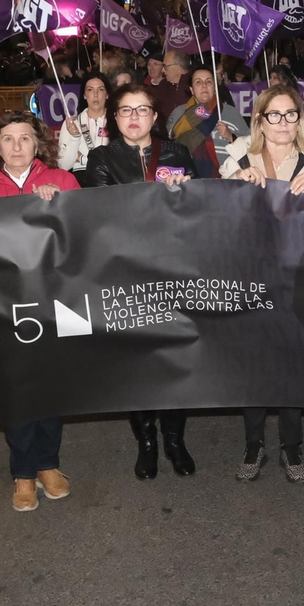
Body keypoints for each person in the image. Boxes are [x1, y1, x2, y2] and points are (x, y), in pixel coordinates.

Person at [0, 112, 77, 511]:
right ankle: (22, 472)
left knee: (51, 387)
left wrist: (61, 209)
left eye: (25, 137)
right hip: (4, 307)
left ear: (38, 142)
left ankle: (48, 464)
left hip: (54, 302)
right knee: (17, 389)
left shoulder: (62, 182)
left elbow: (86, 237)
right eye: (8, 139)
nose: (18, 146)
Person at [86, 85, 196, 479]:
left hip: (173, 268)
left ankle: (174, 440)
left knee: (174, 359)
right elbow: (105, 215)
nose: (134, 117)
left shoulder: (178, 153)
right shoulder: (100, 158)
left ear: (154, 116)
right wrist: (155, 198)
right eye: (125, 110)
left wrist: (184, 196)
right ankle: (146, 442)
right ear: (114, 119)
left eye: (142, 109)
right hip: (127, 272)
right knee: (137, 363)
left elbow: (199, 208)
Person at [223, 85, 304, 483]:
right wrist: (234, 183)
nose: (283, 122)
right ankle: (254, 444)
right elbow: (214, 213)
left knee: (290, 364)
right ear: (260, 120)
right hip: (250, 276)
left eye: (291, 115)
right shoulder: (238, 155)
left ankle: (292, 445)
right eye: (275, 115)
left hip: (295, 278)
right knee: (255, 366)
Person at [167, 64, 249, 177]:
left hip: (227, 179)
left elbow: (252, 146)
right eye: (198, 82)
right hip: (188, 179)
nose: (204, 86)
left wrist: (231, 136)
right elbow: (169, 149)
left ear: (214, 87)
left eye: (209, 81)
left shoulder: (231, 113)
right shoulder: (179, 114)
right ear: (192, 89)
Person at [57, 73, 110, 178]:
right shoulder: (72, 124)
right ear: (84, 95)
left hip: (110, 179)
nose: (95, 94)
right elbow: (63, 166)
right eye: (90, 90)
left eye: (100, 89)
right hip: (81, 180)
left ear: (107, 94)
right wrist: (75, 138)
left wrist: (81, 158)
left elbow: (120, 158)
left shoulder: (117, 121)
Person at [145, 50, 191, 115]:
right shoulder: (163, 85)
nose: (163, 70)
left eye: (165, 66)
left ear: (178, 67)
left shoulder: (193, 83)